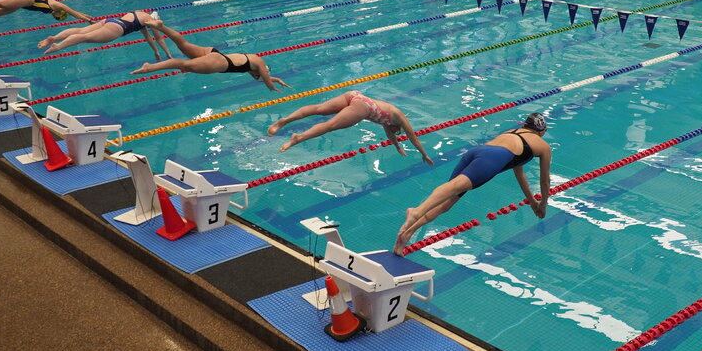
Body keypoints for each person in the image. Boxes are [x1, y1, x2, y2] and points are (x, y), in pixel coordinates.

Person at [393, 113, 552, 252]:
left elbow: (519, 173)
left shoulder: (512, 132)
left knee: (447, 202)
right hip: (492, 158)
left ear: (525, 125)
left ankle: (406, 235)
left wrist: (533, 202)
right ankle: (416, 211)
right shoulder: (543, 146)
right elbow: (544, 181)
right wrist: (543, 204)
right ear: (542, 130)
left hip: (477, 152)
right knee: (453, 188)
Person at [267, 91, 433, 161]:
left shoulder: (389, 122)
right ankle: (298, 138)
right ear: (398, 129)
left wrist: (397, 147)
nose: (394, 133)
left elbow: (390, 135)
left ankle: (284, 121)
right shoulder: (399, 119)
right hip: (364, 108)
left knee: (319, 109)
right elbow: (414, 139)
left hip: (356, 96)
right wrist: (424, 155)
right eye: (397, 133)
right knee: (329, 125)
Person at [129, 19, 289, 91]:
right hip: (216, 63)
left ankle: (161, 27)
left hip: (214, 52)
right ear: (261, 72)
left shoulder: (254, 61)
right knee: (182, 64)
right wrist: (274, 88)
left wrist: (275, 79)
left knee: (183, 44)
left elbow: (264, 77)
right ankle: (149, 67)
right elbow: (267, 82)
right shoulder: (258, 65)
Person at [37, 10, 171, 59]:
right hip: (117, 29)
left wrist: (156, 52)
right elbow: (158, 38)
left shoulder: (142, 15)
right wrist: (168, 54)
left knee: (81, 31)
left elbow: (148, 37)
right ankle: (58, 46)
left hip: (111, 20)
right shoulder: (151, 22)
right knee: (84, 38)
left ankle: (54, 38)